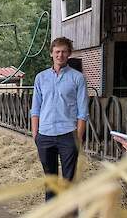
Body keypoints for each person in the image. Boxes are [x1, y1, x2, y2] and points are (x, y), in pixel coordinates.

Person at [31, 37, 89, 201]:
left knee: (69, 183)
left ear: (69, 54)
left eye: (64, 51)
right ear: (51, 53)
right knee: (51, 183)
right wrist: (35, 133)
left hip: (68, 135)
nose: (60, 55)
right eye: (57, 51)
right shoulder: (40, 78)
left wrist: (78, 137)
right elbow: (35, 108)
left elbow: (83, 111)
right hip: (45, 135)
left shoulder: (78, 78)